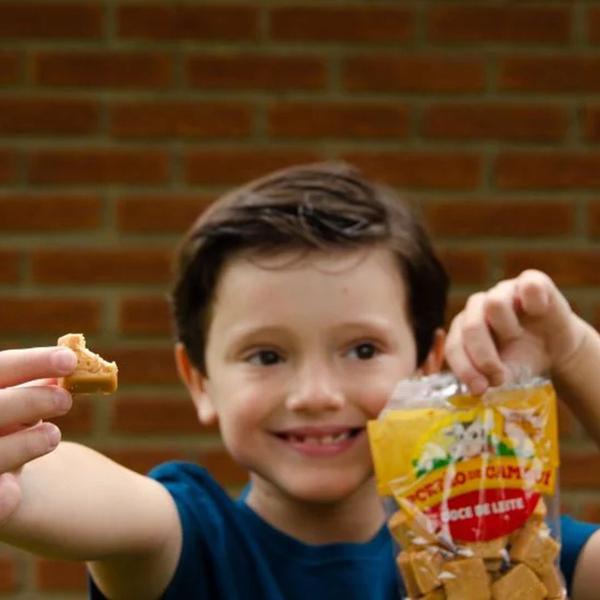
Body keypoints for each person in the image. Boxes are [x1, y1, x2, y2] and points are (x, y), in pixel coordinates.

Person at [0, 162, 599, 600]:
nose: (316, 394)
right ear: (200, 380)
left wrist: (572, 351)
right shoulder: (187, 540)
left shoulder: (505, 548)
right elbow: (70, 488)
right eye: (266, 356)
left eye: (362, 349)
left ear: (426, 363)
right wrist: (17, 465)